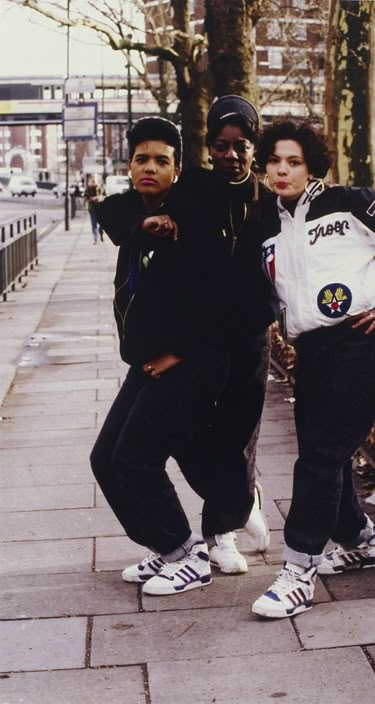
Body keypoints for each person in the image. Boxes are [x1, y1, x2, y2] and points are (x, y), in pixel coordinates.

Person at [251, 119, 375, 619]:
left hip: (360, 343)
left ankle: (297, 571)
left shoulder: (349, 203)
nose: (282, 170)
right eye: (274, 161)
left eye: (293, 161)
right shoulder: (269, 220)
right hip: (311, 350)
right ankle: (361, 541)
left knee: (321, 455)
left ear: (310, 164)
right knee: (322, 454)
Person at [122, 96, 277, 579]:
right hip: (201, 341)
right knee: (187, 435)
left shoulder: (269, 203)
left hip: (248, 341)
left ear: (254, 147)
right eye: (220, 145)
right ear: (208, 146)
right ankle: (238, 500)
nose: (230, 155)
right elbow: (129, 209)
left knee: (235, 438)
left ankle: (220, 533)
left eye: (241, 146)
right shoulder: (192, 190)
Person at [90, 117, 231, 596]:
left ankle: (187, 554)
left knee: (135, 458)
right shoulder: (133, 211)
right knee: (104, 459)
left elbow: (219, 301)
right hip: (149, 360)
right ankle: (163, 547)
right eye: (141, 159)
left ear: (177, 169)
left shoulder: (192, 215)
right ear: (129, 165)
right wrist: (141, 224)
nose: (150, 167)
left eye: (162, 161)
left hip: (193, 360)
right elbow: (110, 211)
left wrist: (178, 352)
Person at [84, 176, 105, 243]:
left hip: (100, 208)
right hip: (92, 208)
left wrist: (99, 197)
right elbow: (86, 197)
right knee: (93, 223)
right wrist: (92, 198)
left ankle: (101, 234)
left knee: (101, 223)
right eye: (92, 181)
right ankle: (95, 237)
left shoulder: (100, 188)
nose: (93, 182)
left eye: (94, 181)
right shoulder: (89, 189)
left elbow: (104, 195)